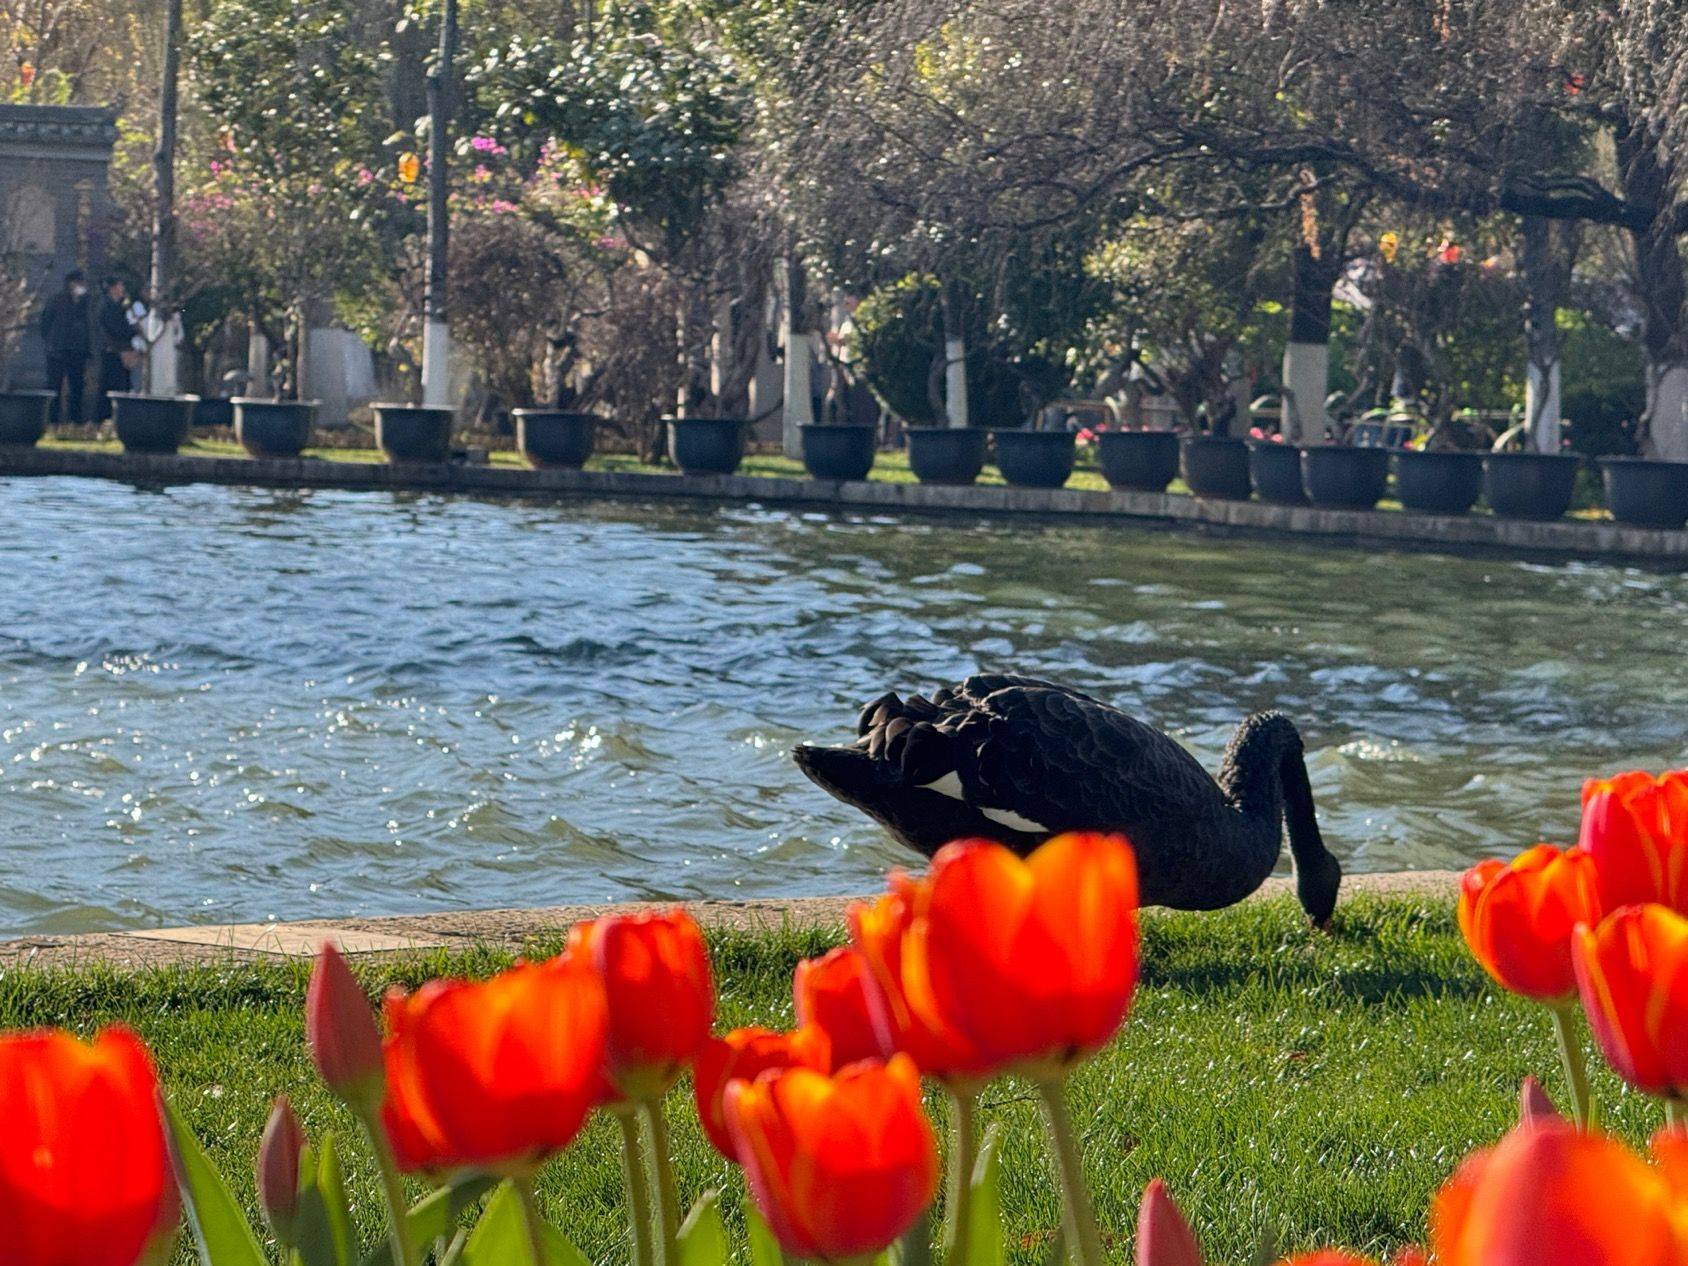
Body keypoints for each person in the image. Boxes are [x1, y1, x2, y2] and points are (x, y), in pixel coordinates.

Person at [39, 269, 92, 423]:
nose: (82, 286)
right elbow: (45, 323)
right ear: (71, 283)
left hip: (78, 351)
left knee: (77, 387)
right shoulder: (57, 301)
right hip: (58, 350)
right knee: (54, 387)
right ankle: (52, 420)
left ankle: (75, 420)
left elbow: (88, 326)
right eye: (79, 282)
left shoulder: (86, 303)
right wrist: (51, 342)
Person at [95, 276, 135, 421]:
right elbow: (114, 330)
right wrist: (123, 348)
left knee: (123, 384)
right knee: (111, 385)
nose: (122, 289)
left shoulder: (121, 306)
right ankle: (105, 417)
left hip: (121, 349)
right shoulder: (107, 307)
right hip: (113, 351)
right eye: (119, 285)